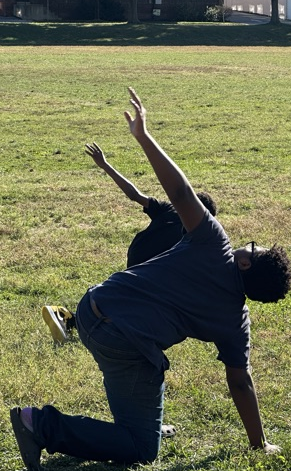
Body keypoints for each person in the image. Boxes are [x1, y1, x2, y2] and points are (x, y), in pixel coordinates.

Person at [10, 88, 291, 471]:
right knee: (142, 448)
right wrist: (259, 443)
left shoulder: (215, 244)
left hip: (93, 310)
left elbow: (179, 192)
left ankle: (126, 422)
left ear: (246, 264)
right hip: (121, 339)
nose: (249, 243)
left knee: (149, 381)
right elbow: (240, 383)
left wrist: (144, 137)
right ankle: (39, 425)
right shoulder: (235, 322)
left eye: (255, 248)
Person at [41, 142, 217, 345]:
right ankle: (70, 319)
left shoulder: (170, 209)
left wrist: (105, 165)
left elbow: (134, 195)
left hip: (138, 254)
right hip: (152, 268)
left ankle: (69, 319)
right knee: (135, 309)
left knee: (125, 301)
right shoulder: (199, 231)